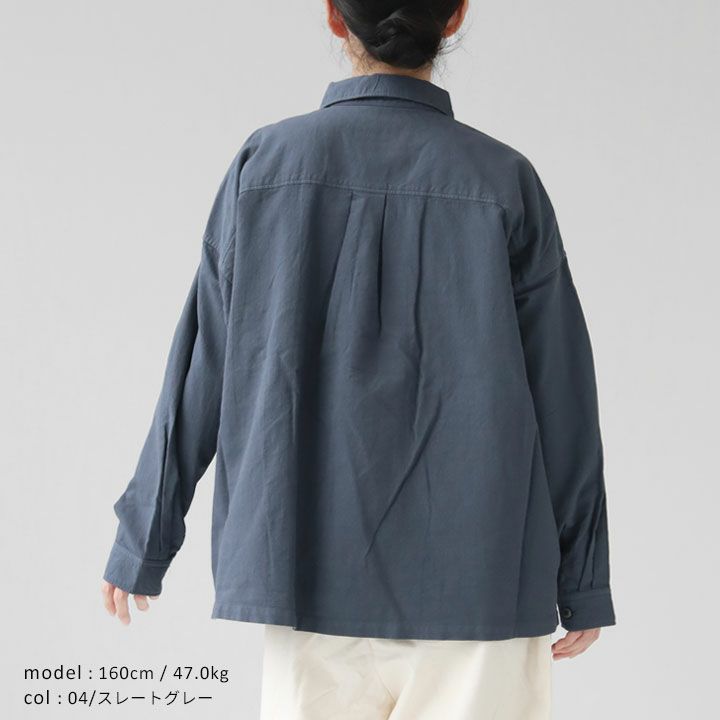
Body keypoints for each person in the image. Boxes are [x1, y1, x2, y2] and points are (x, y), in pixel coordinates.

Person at [100, 1, 616, 717]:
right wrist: (583, 576)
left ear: (333, 17)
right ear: (456, 16)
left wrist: (144, 539)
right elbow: (564, 394)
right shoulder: (505, 181)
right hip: (482, 582)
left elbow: (202, 365)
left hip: (304, 575)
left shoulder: (265, 167)